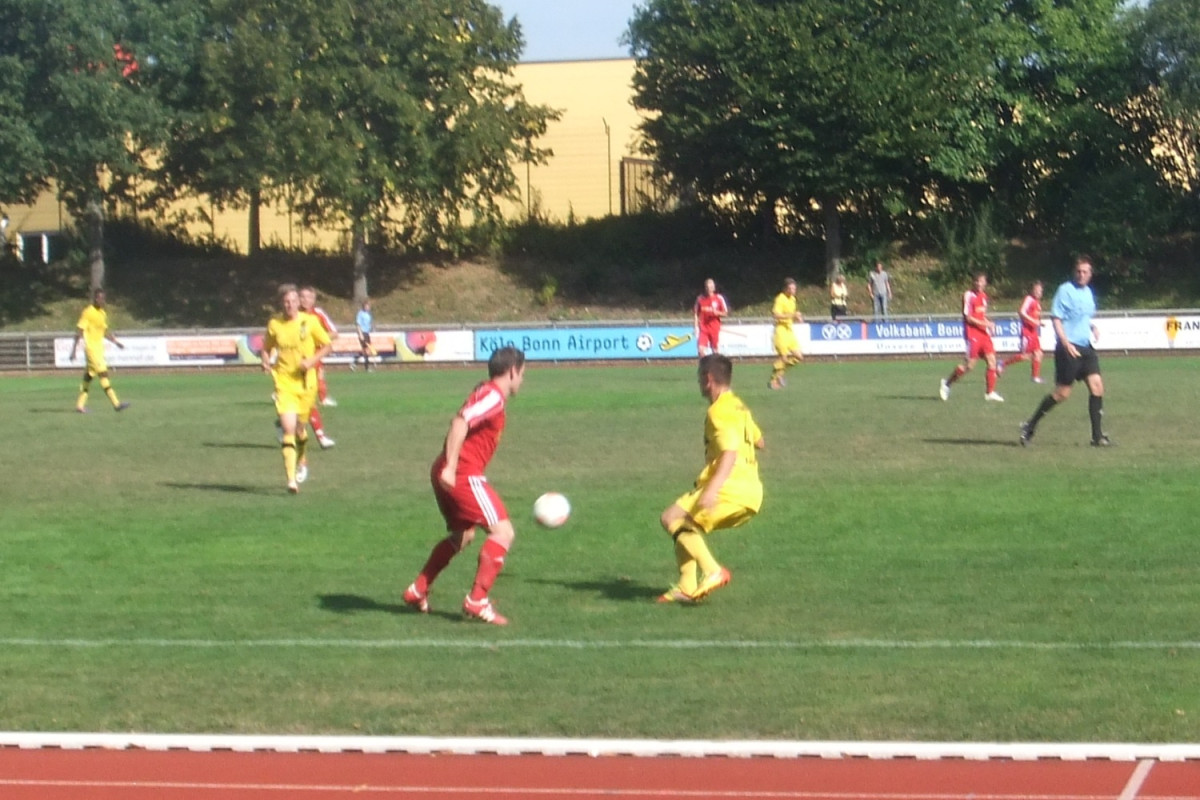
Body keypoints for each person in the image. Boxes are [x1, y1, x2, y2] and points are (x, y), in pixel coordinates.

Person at [403, 346, 527, 626]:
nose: (522, 380)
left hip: (448, 470)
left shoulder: (486, 391)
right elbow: (460, 422)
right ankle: (477, 600)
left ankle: (418, 589)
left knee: (464, 534)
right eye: (522, 374)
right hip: (461, 473)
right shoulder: (493, 397)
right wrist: (451, 466)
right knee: (503, 532)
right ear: (512, 371)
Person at [657, 353, 764, 604]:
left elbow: (730, 453)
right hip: (751, 492)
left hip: (729, 487)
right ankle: (686, 586)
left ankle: (713, 571)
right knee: (680, 520)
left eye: (698, 378)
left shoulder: (719, 411)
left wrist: (712, 490)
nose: (698, 384)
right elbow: (760, 441)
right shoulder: (738, 406)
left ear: (708, 379)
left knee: (673, 519)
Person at [1020, 256, 1112, 447]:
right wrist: (1065, 342)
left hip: (1086, 347)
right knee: (1062, 393)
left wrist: (1092, 326)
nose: (1081, 275)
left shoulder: (1088, 293)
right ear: (1074, 272)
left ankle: (1097, 437)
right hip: (1068, 348)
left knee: (1097, 387)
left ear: (1090, 274)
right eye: (1079, 271)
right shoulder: (1065, 290)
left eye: (1085, 272)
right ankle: (1030, 425)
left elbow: (1082, 317)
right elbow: (1057, 318)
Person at [261, 284, 333, 493]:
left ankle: (302, 459)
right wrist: (265, 361)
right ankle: (291, 480)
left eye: (293, 300)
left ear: (298, 302)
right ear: (281, 303)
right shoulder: (274, 324)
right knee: (288, 429)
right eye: (286, 301)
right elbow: (266, 348)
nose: (290, 304)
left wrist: (311, 361)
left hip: (306, 384)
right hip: (284, 382)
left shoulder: (309, 322)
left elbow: (328, 345)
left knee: (300, 429)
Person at [940, 272, 1004, 403]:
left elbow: (981, 316)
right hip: (972, 334)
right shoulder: (968, 295)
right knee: (969, 366)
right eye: (977, 281)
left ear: (985, 283)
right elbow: (968, 318)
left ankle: (990, 393)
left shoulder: (984, 296)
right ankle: (947, 384)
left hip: (984, 334)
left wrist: (990, 324)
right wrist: (987, 324)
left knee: (992, 361)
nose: (979, 284)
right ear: (973, 282)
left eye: (982, 281)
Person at [70, 288, 131, 413]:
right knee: (103, 374)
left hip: (99, 350)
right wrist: (73, 350)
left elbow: (104, 332)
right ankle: (116, 404)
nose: (102, 301)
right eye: (100, 298)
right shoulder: (88, 312)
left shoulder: (102, 313)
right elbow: (79, 331)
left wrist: (116, 342)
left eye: (103, 298)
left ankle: (80, 405)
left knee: (88, 378)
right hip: (91, 350)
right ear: (95, 298)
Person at [297, 286, 337, 450]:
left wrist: (316, 338)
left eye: (309, 297)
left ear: (314, 300)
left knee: (307, 401)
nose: (306, 300)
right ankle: (319, 436)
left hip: (312, 361)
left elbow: (334, 333)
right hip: (294, 364)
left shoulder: (317, 315)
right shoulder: (291, 315)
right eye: (303, 297)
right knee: (300, 402)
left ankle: (320, 436)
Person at [999, 280, 1044, 383]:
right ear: (1032, 290)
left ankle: (1035, 377)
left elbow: (1035, 316)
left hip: (1034, 332)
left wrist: (1038, 322)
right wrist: (1034, 321)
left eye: (1040, 290)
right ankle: (1003, 363)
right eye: (1036, 290)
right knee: (1025, 356)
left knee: (1039, 353)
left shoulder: (1037, 303)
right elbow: (1021, 312)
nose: (1038, 292)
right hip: (1027, 332)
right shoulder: (1029, 299)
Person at [768, 277, 803, 390]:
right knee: (784, 357)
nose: (793, 291)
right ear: (785, 289)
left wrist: (797, 317)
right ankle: (774, 379)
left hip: (789, 331)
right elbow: (776, 315)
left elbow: (791, 314)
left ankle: (778, 369)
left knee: (799, 357)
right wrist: (792, 315)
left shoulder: (793, 299)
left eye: (794, 289)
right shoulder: (780, 299)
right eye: (791, 288)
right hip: (781, 330)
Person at [693, 278, 729, 356]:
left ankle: (715, 363)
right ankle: (704, 363)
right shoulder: (700, 299)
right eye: (708, 287)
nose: (709, 289)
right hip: (703, 328)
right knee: (700, 350)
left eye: (711, 287)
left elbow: (726, 313)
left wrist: (717, 313)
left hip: (714, 328)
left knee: (715, 351)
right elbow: (696, 313)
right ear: (705, 288)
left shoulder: (719, 298)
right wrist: (695, 327)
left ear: (714, 288)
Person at [353, 298, 374, 371]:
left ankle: (354, 363)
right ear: (364, 306)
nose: (367, 307)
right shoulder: (360, 314)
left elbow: (369, 323)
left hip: (367, 333)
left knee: (366, 350)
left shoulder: (369, 314)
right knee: (366, 350)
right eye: (366, 306)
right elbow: (358, 324)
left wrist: (371, 328)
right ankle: (367, 367)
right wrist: (360, 334)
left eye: (368, 306)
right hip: (363, 333)